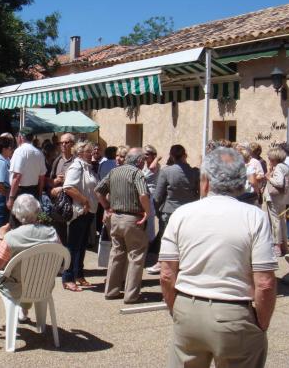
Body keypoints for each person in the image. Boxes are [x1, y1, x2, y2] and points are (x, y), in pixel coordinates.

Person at [159, 147, 277, 368]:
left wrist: (176, 309)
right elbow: (265, 282)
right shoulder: (255, 217)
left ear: (205, 181)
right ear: (241, 183)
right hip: (234, 312)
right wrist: (262, 322)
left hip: (188, 307)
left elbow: (166, 274)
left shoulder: (181, 214)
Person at [0, 194, 61, 330]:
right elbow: (61, 257)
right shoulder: (52, 233)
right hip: (43, 286)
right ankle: (24, 312)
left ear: (16, 214)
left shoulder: (11, 237)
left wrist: (1, 236)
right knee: (30, 276)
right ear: (38, 211)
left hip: (16, 287)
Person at [95, 148, 151, 304]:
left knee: (117, 253)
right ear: (139, 161)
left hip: (115, 218)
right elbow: (143, 194)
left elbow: (98, 190)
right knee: (136, 255)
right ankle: (131, 295)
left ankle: (111, 291)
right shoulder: (137, 173)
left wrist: (106, 207)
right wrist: (147, 211)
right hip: (132, 218)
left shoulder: (114, 172)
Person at [53, 140, 99, 291]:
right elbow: (68, 187)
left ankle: (79, 274)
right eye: (89, 150)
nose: (93, 153)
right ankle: (68, 278)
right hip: (79, 212)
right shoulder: (77, 166)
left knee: (81, 245)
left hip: (88, 212)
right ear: (80, 152)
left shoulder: (88, 167)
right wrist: (85, 201)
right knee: (73, 246)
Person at [148, 145, 199, 274]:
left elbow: (158, 196)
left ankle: (163, 264)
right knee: (186, 240)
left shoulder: (166, 171)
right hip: (189, 210)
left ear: (171, 155)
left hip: (169, 210)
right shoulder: (194, 172)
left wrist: (158, 211)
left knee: (166, 240)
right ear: (184, 155)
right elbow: (198, 193)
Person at [7, 127, 46, 212]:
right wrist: (39, 195)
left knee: (18, 221)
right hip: (34, 192)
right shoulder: (39, 153)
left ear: (21, 137)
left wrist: (11, 198)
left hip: (21, 193)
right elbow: (42, 178)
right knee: (32, 220)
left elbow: (17, 176)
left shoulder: (19, 152)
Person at [264, 147, 289, 257]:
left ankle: (277, 247)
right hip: (282, 198)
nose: (269, 159)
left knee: (275, 221)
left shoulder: (279, 167)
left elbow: (279, 183)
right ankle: (284, 246)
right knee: (281, 221)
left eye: (270, 157)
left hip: (274, 198)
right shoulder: (286, 166)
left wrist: (268, 177)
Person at [49, 133, 76, 242]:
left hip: (71, 201)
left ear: (72, 144)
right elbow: (50, 180)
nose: (63, 145)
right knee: (58, 232)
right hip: (57, 201)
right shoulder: (57, 160)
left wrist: (65, 184)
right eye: (61, 143)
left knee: (70, 234)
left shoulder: (76, 161)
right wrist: (55, 181)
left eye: (66, 142)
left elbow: (79, 183)